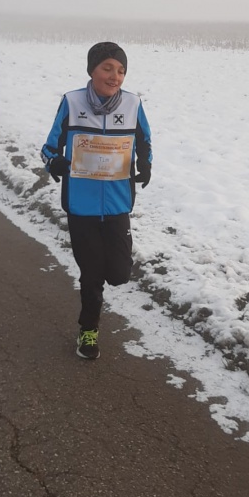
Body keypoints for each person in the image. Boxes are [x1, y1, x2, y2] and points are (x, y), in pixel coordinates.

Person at [41, 42, 152, 359]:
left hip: (118, 205)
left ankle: (106, 271)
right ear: (92, 70)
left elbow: (144, 140)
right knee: (91, 275)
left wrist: (145, 164)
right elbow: (49, 147)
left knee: (118, 274)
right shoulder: (72, 102)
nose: (115, 76)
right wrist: (54, 163)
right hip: (82, 207)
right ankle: (88, 330)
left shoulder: (133, 104)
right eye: (107, 68)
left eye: (121, 70)